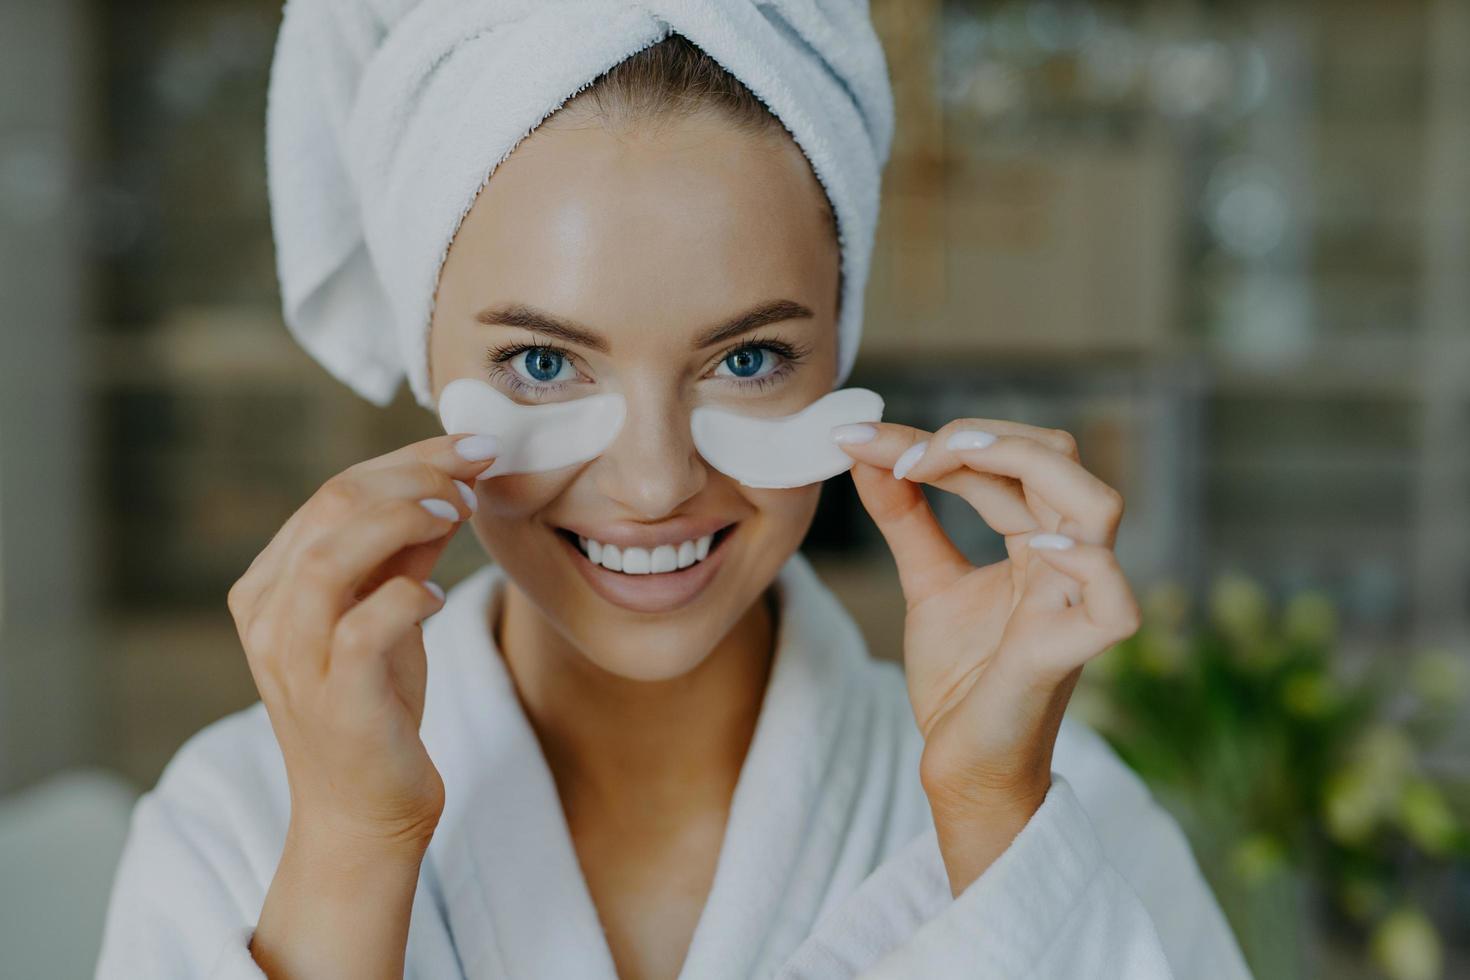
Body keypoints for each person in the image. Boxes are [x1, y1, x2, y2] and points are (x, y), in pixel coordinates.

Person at [96, 6, 1252, 980]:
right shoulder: (239, 817)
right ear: (428, 363)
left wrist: (994, 822)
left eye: (747, 360)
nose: (653, 482)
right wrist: (353, 844)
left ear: (838, 354)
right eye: (543, 364)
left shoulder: (1054, 801)